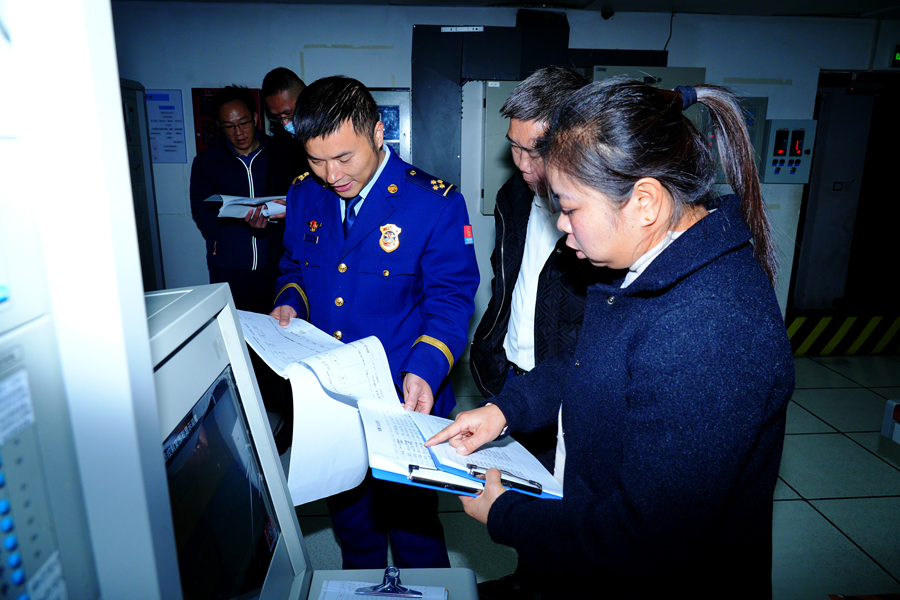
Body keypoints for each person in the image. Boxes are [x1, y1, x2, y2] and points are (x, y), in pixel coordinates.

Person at [427, 79, 794, 598]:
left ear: (644, 202)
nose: (561, 225)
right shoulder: (650, 266)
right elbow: (589, 363)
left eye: (570, 207)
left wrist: (505, 514)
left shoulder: (708, 328)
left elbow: (644, 541)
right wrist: (505, 410)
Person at [270, 75, 479, 569]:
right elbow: (294, 266)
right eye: (316, 160)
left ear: (378, 133)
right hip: (332, 399)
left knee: (414, 532)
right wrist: (290, 302)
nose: (331, 175)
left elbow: (451, 300)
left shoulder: (434, 203)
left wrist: (425, 368)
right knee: (353, 529)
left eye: (344, 158)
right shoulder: (304, 194)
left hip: (402, 395)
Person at [190, 85, 276, 314]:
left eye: (243, 123)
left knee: (274, 326)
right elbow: (201, 210)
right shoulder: (207, 162)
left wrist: (269, 225)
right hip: (228, 266)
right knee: (234, 326)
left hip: (272, 264)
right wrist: (223, 240)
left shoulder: (277, 154)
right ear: (219, 125)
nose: (238, 132)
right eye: (229, 126)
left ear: (255, 118)